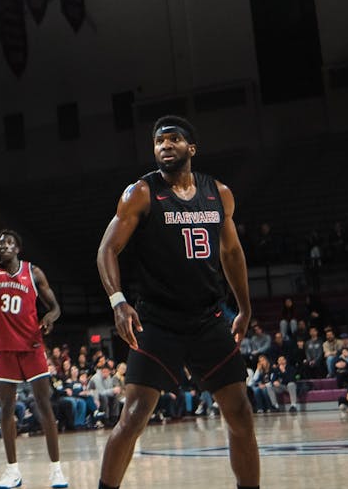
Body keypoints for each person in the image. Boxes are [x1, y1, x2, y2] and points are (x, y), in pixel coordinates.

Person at [95, 116, 258, 489]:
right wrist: (118, 301)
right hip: (158, 321)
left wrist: (245, 307)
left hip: (208, 319)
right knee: (134, 416)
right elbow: (107, 249)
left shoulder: (219, 193)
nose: (165, 146)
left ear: (191, 148)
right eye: (158, 141)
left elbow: (232, 253)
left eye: (173, 139)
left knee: (240, 413)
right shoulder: (141, 192)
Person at [0, 166, 65, 488]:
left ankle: (56, 469)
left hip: (32, 347)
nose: (2, 246)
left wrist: (50, 318)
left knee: (44, 407)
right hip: (5, 350)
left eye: (8, 243)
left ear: (17, 248)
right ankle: (12, 470)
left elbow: (55, 307)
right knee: (6, 410)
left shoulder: (34, 273)